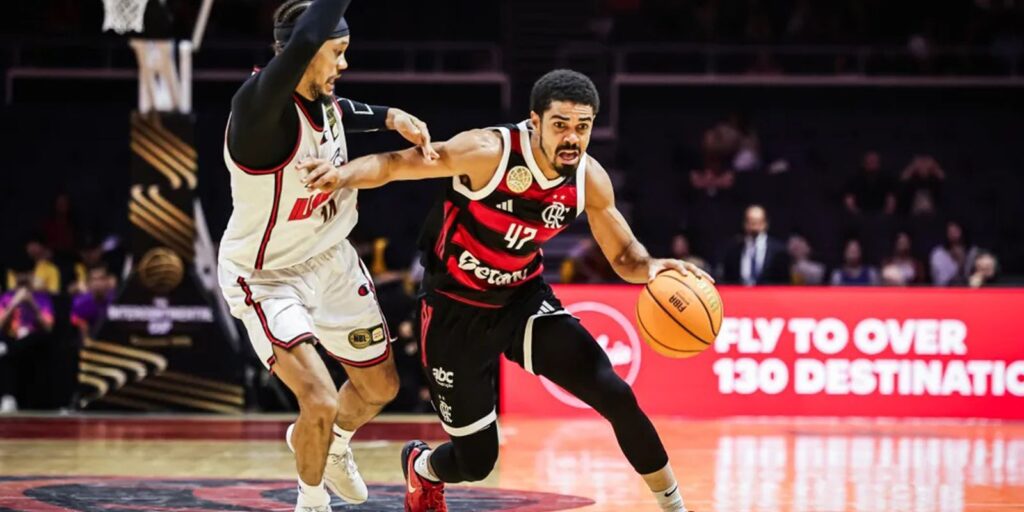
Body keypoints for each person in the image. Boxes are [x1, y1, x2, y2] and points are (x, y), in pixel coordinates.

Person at [303, 69, 703, 512]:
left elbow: (625, 256)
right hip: (454, 310)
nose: (572, 138)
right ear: (535, 121)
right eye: (561, 125)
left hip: (521, 301)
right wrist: (340, 175)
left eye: (582, 127)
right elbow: (397, 165)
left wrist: (651, 267)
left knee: (615, 393)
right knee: (477, 461)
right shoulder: (488, 151)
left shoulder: (588, 177)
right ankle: (423, 467)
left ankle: (674, 506)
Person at [215, 1, 437, 510]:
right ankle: (311, 499)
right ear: (304, 51)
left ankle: (331, 445)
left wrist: (390, 117)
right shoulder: (256, 109)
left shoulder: (322, 99)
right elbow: (305, 45)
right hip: (267, 276)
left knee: (379, 386)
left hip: (331, 260)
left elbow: (340, 114)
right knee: (317, 398)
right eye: (336, 53)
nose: (343, 64)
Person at [0, 258, 55, 413]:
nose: (23, 277)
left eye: (26, 273)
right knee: (6, 345)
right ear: (14, 276)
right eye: (19, 274)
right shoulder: (6, 297)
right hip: (11, 337)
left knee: (7, 349)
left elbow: (48, 327)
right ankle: (8, 398)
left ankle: (8, 397)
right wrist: (13, 304)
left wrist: (32, 304)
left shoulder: (42, 297)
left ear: (32, 274)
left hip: (34, 339)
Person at [720, 205, 791, 285]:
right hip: (740, 294)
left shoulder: (778, 251)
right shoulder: (734, 249)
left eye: (758, 221)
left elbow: (784, 282)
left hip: (769, 295)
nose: (754, 225)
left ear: (765, 223)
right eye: (751, 221)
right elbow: (728, 279)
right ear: (744, 223)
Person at [930, 221, 979, 286]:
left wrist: (962, 262)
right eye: (950, 232)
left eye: (956, 231)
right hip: (944, 292)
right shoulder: (938, 254)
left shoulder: (973, 252)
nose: (953, 235)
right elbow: (940, 281)